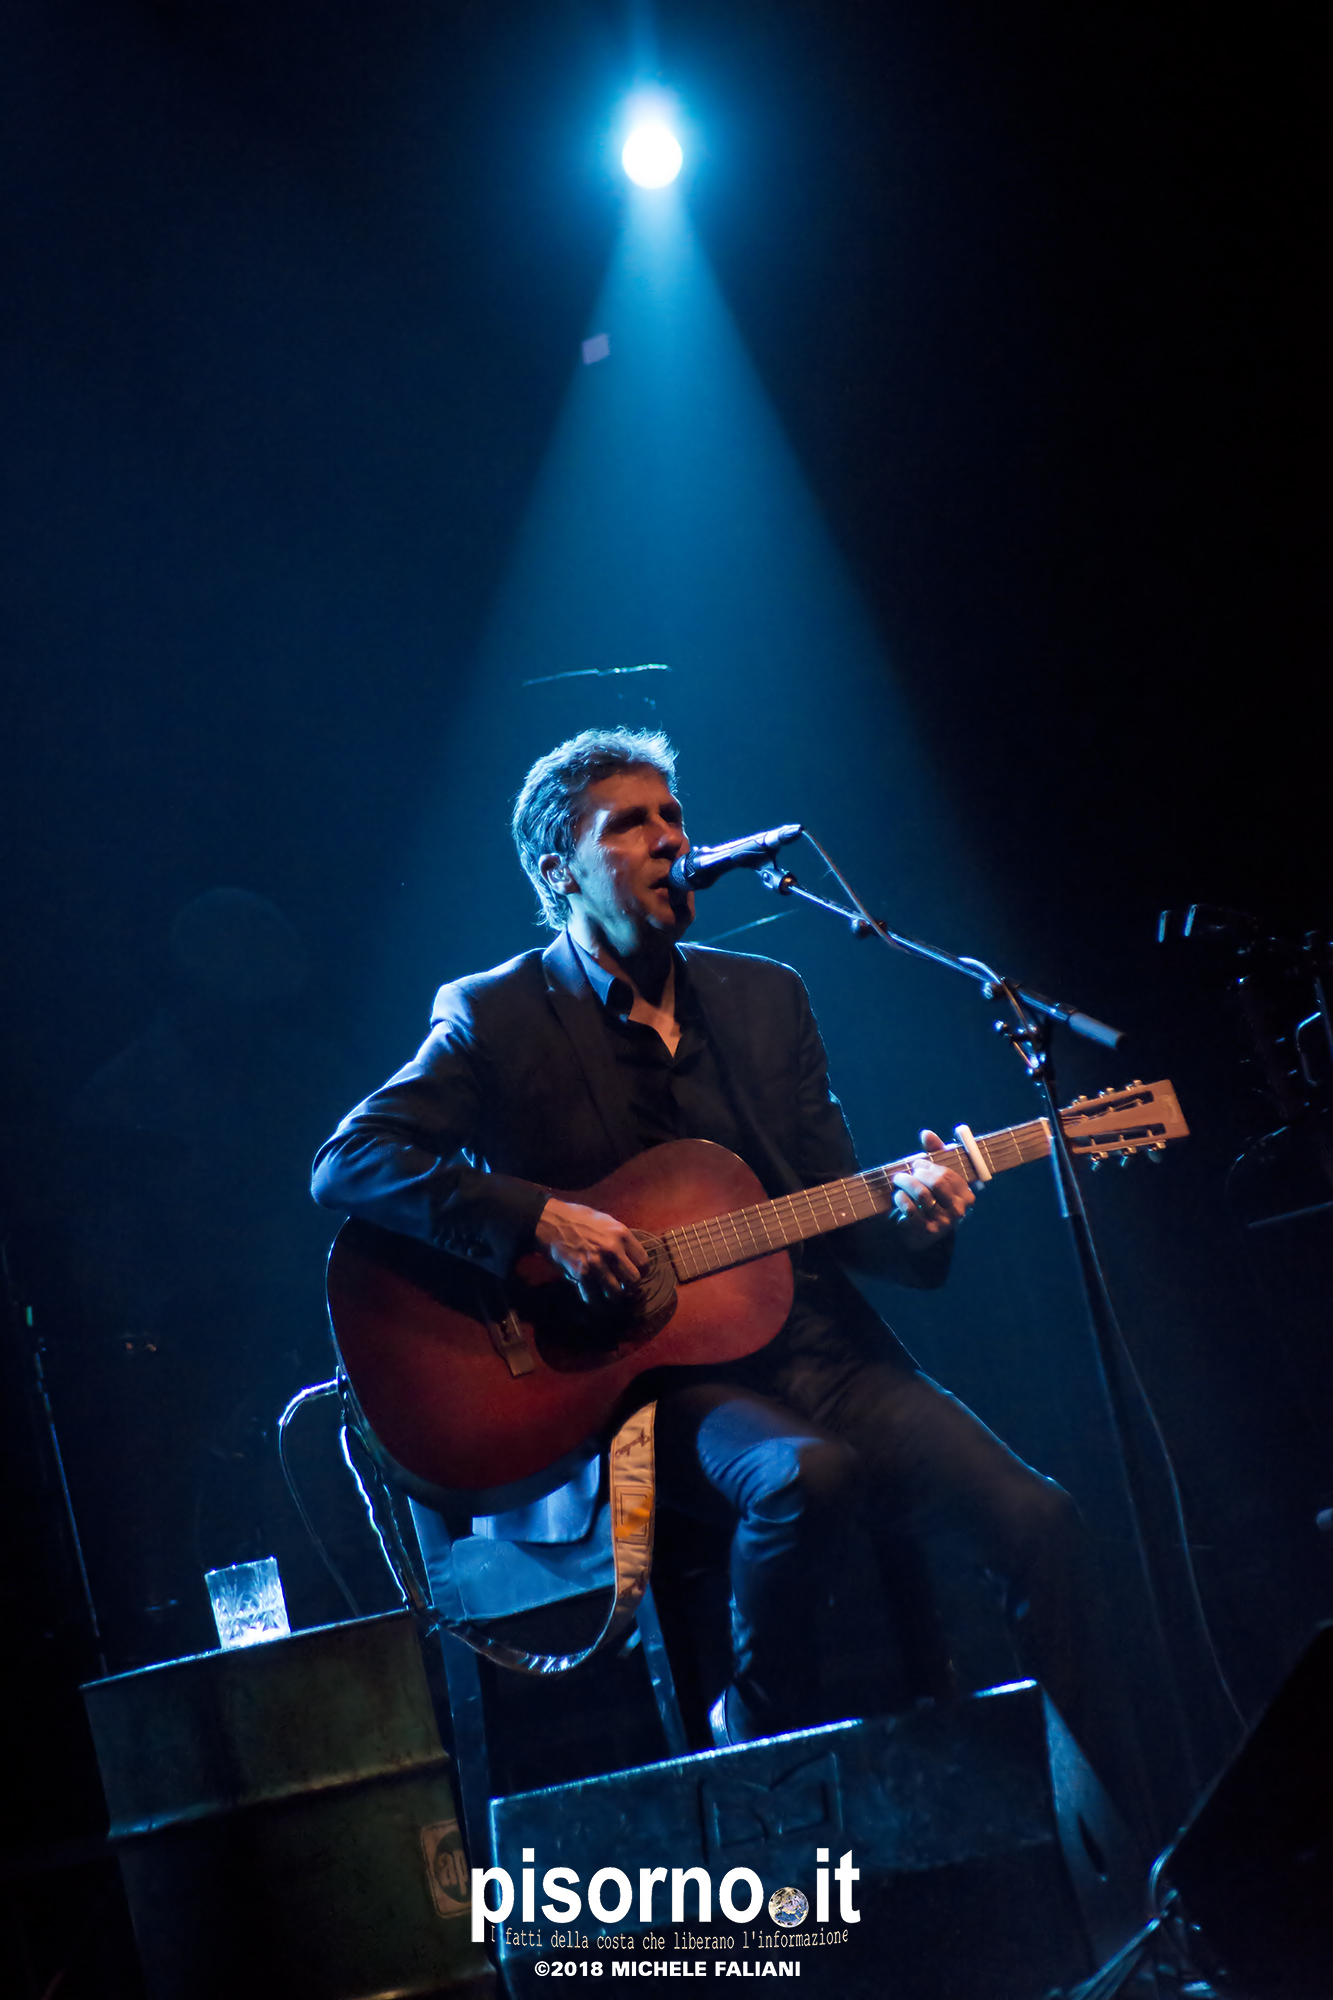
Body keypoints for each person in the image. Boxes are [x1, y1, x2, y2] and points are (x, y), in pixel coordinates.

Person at [312, 727, 1121, 1784]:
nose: (669, 840)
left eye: (673, 815)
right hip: (647, 1389)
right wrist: (542, 1218)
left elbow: (835, 1205)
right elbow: (349, 1160)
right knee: (804, 1476)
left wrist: (921, 1218)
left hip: (818, 1352)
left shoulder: (764, 997)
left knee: (1042, 1522)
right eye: (630, 824)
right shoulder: (494, 1014)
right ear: (560, 871)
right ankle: (758, 1748)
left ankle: (1115, 1829)